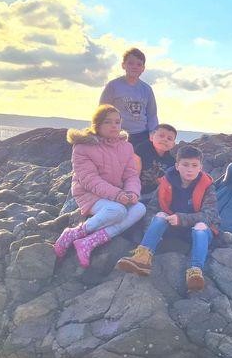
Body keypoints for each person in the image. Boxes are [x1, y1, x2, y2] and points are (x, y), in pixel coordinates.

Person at [116, 145, 219, 291]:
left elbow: (210, 215)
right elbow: (152, 208)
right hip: (172, 227)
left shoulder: (208, 187)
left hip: (196, 229)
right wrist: (151, 231)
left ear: (200, 167)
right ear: (177, 166)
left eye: (194, 165)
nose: (190, 169)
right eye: (185, 164)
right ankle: (143, 258)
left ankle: (195, 271)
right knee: (160, 215)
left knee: (201, 227)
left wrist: (181, 218)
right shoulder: (166, 182)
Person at [53, 105, 145, 267]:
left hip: (117, 194)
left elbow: (131, 175)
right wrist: (117, 195)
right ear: (97, 125)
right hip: (90, 194)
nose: (114, 126)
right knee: (117, 211)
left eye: (117, 122)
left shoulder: (126, 147)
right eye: (108, 122)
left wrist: (132, 192)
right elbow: (89, 179)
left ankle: (89, 242)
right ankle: (73, 233)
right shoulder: (83, 147)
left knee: (140, 208)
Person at [99, 47, 158, 149]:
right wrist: (101, 132)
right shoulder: (113, 86)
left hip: (142, 135)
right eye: (130, 63)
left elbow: (152, 115)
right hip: (117, 134)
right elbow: (102, 111)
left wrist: (153, 133)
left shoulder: (147, 89)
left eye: (139, 64)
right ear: (123, 65)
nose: (134, 67)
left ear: (143, 68)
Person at [134, 123, 177, 201]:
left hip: (156, 194)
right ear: (151, 137)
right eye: (161, 136)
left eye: (169, 139)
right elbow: (134, 174)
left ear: (173, 144)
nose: (165, 140)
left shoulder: (172, 160)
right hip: (137, 189)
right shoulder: (142, 149)